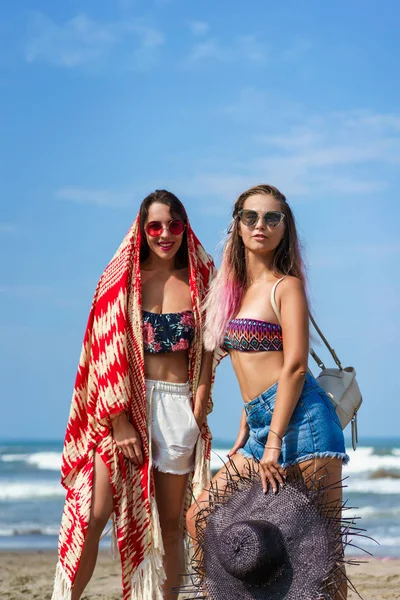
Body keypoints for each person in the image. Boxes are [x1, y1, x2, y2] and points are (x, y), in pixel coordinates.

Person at [52, 190, 217, 600]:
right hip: (124, 408)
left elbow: (210, 346)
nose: (165, 234)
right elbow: (102, 348)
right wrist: (119, 419)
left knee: (172, 524)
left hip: (178, 407)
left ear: (185, 227)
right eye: (155, 226)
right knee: (94, 512)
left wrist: (199, 400)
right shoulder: (121, 279)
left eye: (174, 225)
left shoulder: (201, 277)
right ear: (141, 230)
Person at [187, 184, 349, 599]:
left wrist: (274, 441)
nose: (261, 225)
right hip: (263, 425)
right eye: (251, 217)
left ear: (284, 228)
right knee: (201, 516)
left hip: (303, 424)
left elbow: (293, 367)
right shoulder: (230, 292)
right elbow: (246, 361)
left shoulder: (286, 286)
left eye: (272, 217)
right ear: (237, 226)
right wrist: (249, 417)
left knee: (325, 553)